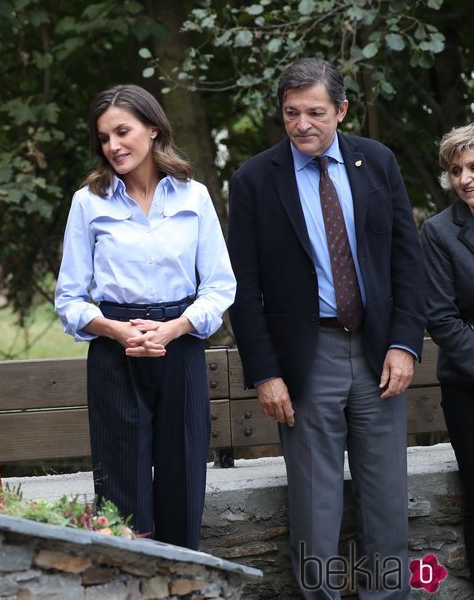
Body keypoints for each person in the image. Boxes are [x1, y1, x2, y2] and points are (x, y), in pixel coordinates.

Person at [227, 58, 426, 598]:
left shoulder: (377, 162)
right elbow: (242, 289)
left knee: (386, 501)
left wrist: (406, 345)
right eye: (292, 112)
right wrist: (266, 374)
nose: (302, 124)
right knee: (316, 509)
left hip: (379, 352)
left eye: (315, 112)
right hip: (305, 358)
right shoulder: (253, 181)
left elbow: (407, 263)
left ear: (340, 110)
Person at [54, 84, 236, 549]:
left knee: (183, 484)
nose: (113, 145)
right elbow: (70, 299)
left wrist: (175, 329)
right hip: (117, 355)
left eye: (123, 131)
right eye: (103, 137)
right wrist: (115, 330)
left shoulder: (193, 197)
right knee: (121, 497)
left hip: (181, 347)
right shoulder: (87, 202)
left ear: (153, 129)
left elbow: (220, 286)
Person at [420, 122, 474, 574]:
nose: (465, 178)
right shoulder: (438, 233)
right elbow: (441, 319)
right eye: (456, 170)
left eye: (473, 167)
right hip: (469, 388)